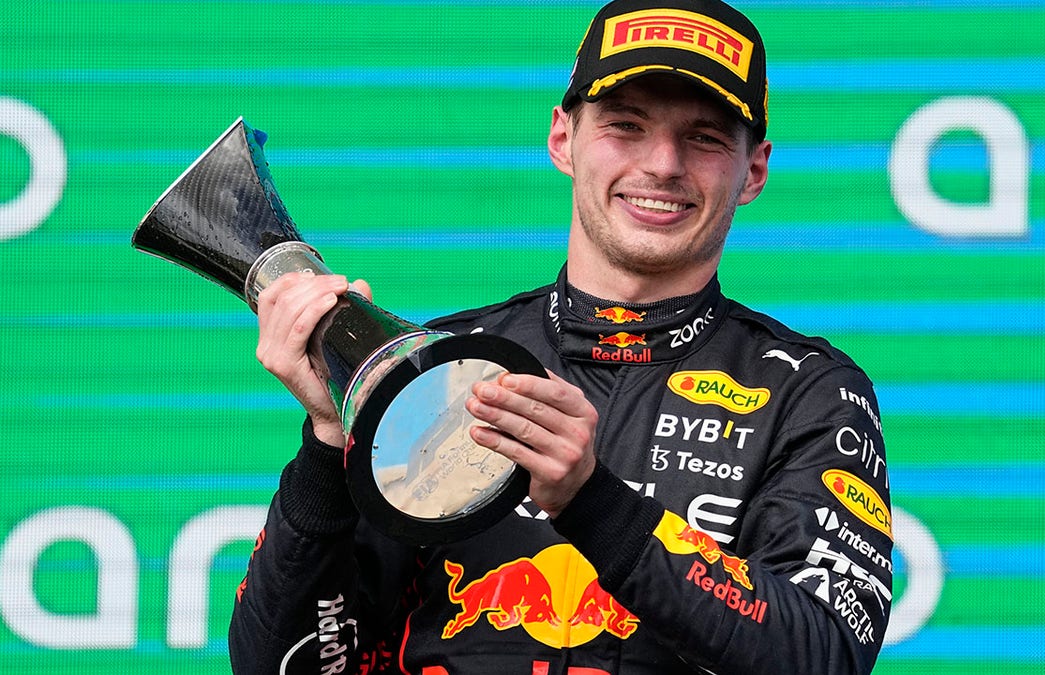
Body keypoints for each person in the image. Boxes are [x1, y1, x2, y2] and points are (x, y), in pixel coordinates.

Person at [229, 0, 893, 673]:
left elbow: (825, 654)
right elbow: (286, 666)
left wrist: (591, 500)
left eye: (705, 137)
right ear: (561, 139)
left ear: (753, 170)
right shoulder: (440, 371)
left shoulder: (810, 392)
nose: (662, 163)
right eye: (625, 125)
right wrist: (327, 447)